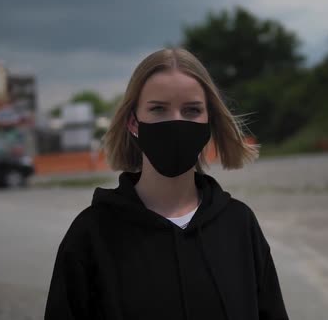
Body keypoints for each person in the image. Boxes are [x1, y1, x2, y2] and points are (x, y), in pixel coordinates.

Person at [44, 48, 289, 320]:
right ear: (133, 122)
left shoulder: (239, 224)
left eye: (192, 110)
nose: (176, 122)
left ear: (209, 122)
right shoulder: (90, 235)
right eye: (158, 109)